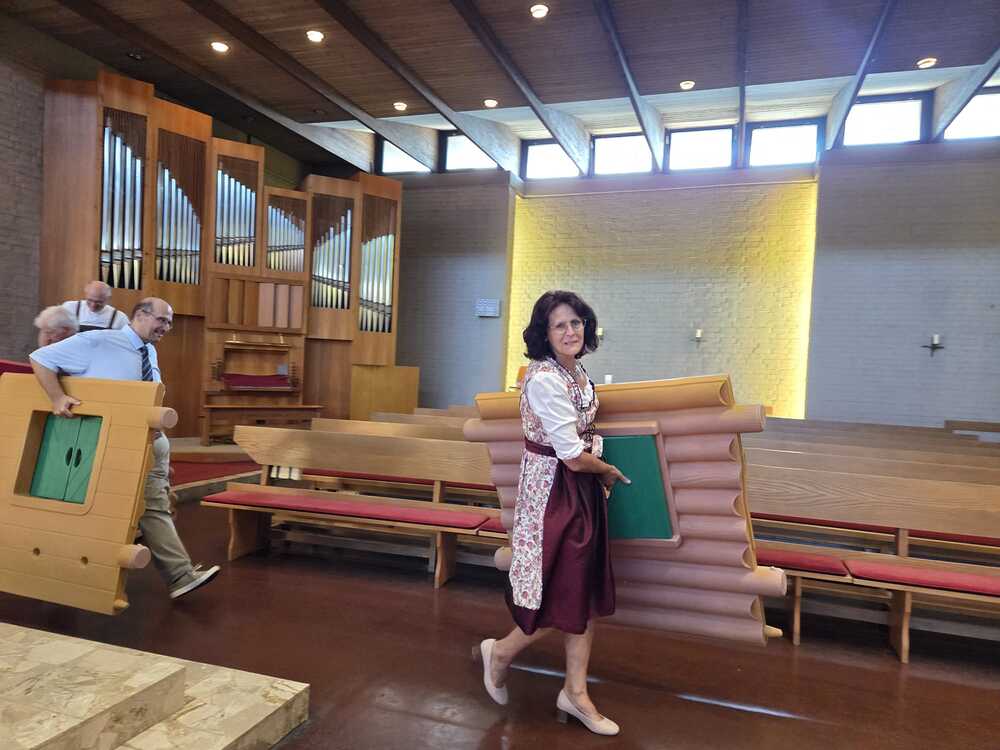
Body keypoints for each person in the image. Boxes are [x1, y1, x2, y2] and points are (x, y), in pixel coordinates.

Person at [480, 290, 629, 736]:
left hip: (576, 489)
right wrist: (607, 470)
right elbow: (571, 455)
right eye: (559, 325)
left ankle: (575, 693)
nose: (570, 331)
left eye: (576, 322)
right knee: (558, 591)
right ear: (544, 334)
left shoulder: (576, 371)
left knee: (580, 590)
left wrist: (595, 471)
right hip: (553, 493)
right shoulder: (545, 378)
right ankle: (501, 653)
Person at [29, 297, 219, 600]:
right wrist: (57, 398)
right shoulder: (98, 341)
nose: (166, 327)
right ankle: (73, 578)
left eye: (169, 322)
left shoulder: (149, 351)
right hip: (118, 447)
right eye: (162, 320)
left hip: (152, 443)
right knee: (122, 511)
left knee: (155, 507)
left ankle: (180, 576)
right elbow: (40, 358)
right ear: (141, 315)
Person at [62, 280, 128, 332]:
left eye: (99, 302)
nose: (93, 305)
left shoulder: (119, 318)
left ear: (108, 299)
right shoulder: (69, 308)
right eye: (90, 300)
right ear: (86, 295)